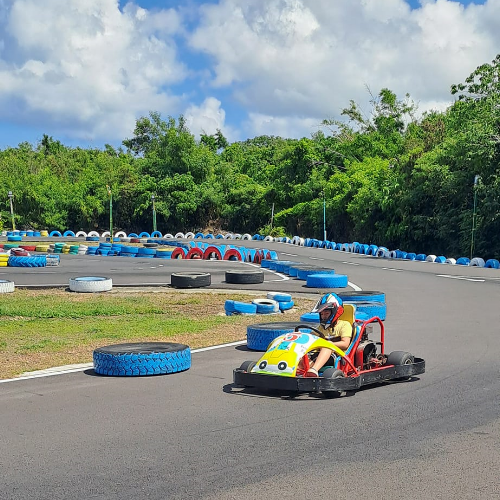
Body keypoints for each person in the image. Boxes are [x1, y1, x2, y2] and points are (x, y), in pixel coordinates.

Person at [305, 293, 352, 377]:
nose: (324, 317)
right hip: (317, 355)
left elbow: (345, 344)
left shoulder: (344, 325)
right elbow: (310, 338)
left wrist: (329, 344)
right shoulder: (321, 328)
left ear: (335, 312)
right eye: (322, 314)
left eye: (326, 313)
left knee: (327, 346)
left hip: (336, 356)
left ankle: (314, 370)